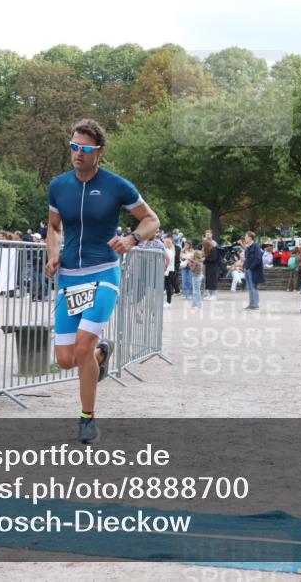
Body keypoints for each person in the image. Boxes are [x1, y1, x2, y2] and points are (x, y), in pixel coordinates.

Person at [46, 119, 159, 444]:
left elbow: (152, 219)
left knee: (82, 345)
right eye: (73, 147)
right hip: (69, 279)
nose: (77, 154)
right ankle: (99, 356)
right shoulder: (59, 186)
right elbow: (54, 227)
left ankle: (87, 418)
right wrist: (54, 253)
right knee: (67, 360)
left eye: (85, 148)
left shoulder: (117, 185)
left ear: (99, 153)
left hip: (103, 275)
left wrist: (133, 239)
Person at [243, 231, 265, 310]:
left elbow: (257, 258)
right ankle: (251, 304)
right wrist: (245, 267)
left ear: (250, 238)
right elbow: (246, 259)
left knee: (253, 287)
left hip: (253, 270)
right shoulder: (248, 247)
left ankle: (255, 305)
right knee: (250, 288)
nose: (245, 238)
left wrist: (250, 268)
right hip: (248, 270)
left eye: (246, 237)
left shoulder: (256, 246)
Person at [202, 230, 219, 301]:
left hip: (213, 266)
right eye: (206, 234)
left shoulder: (214, 246)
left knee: (212, 280)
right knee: (208, 279)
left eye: (209, 234)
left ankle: (214, 295)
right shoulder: (205, 245)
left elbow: (214, 258)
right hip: (208, 266)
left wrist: (205, 259)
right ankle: (209, 294)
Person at [162, 237, 176, 308]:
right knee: (168, 286)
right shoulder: (169, 250)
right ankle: (168, 302)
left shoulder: (169, 251)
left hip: (169, 270)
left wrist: (164, 269)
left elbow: (168, 261)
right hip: (168, 270)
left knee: (168, 287)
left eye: (164, 242)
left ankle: (168, 302)